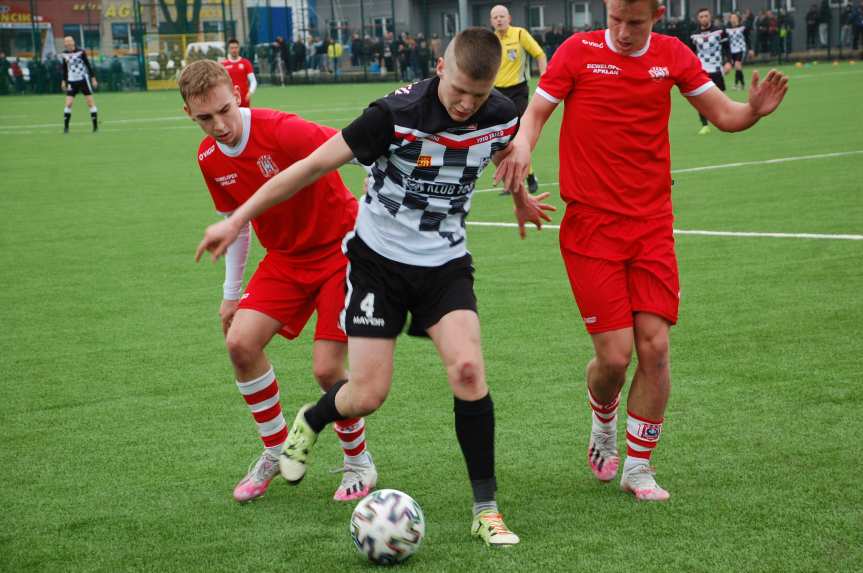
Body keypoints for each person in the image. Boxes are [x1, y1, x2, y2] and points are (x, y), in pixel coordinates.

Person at [195, 27, 554, 546]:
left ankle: (486, 509)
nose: (464, 104)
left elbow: (499, 153)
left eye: (477, 95)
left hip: (445, 264)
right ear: (439, 68)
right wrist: (237, 220)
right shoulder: (392, 115)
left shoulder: (499, 114)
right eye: (457, 90)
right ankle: (313, 419)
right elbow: (310, 166)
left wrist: (519, 194)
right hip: (376, 266)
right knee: (365, 394)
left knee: (469, 369)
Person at [495, 0, 787, 502]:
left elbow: (723, 114)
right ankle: (603, 419)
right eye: (615, 21)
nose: (624, 33)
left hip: (652, 225)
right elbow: (536, 114)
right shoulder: (577, 52)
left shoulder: (673, 55)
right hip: (591, 227)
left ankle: (639, 466)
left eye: (635, 23)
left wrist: (753, 112)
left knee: (654, 347)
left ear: (657, 13)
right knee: (615, 357)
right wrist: (522, 146)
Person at [179, 60, 379, 503]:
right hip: (286, 259)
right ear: (188, 114)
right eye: (204, 118)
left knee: (327, 369)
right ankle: (275, 450)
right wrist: (230, 296)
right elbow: (235, 223)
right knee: (240, 343)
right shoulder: (208, 158)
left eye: (225, 110)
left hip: (342, 250)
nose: (219, 125)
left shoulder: (283, 130)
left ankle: (358, 461)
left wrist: (376, 184)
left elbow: (357, 143)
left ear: (237, 93)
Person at [490, 4, 547, 194]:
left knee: (518, 136)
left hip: (518, 92)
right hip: (497, 93)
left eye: (502, 16)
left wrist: (544, 77)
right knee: (501, 140)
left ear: (509, 18)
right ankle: (513, 180)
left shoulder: (520, 34)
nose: (499, 20)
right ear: (491, 21)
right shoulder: (491, 41)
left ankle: (528, 176)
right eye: (495, 17)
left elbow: (539, 54)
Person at [690, 8, 731, 135]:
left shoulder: (719, 32)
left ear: (710, 17)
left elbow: (726, 48)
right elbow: (690, 53)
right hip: (701, 71)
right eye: (701, 16)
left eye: (706, 16)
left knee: (721, 97)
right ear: (698, 19)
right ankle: (704, 125)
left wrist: (728, 62)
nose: (704, 18)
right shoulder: (694, 35)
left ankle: (725, 122)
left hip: (717, 69)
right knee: (701, 99)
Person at [60, 36, 98, 133]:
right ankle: (66, 128)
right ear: (64, 43)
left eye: (70, 41)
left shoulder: (81, 52)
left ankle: (95, 127)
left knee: (90, 103)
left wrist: (93, 78)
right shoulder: (64, 54)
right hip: (72, 81)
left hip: (83, 80)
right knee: (68, 104)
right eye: (66, 42)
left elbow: (88, 65)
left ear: (73, 42)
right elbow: (64, 69)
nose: (68, 43)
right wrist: (64, 81)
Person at [222, 38, 257, 107]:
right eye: (232, 48)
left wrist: (250, 92)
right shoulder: (223, 65)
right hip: (229, 99)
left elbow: (253, 81)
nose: (234, 50)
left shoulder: (245, 63)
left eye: (236, 48)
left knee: (244, 117)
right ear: (228, 49)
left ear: (239, 48)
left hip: (244, 99)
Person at [726, 13, 747, 90]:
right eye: (732, 18)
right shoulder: (727, 29)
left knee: (737, 65)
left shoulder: (742, 28)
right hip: (732, 50)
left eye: (735, 17)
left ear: (738, 19)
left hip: (741, 49)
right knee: (738, 67)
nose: (733, 19)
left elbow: (748, 38)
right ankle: (742, 83)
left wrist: (751, 49)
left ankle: (735, 84)